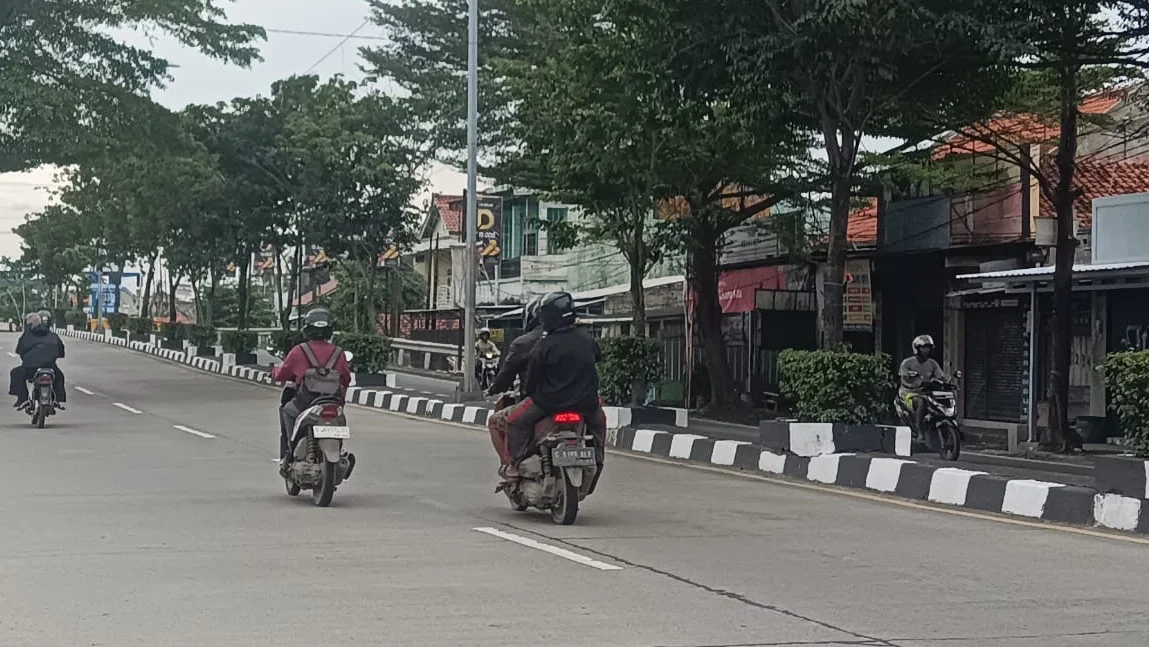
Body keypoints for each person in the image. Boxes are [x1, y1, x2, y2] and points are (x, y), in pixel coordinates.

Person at [503, 292, 607, 490]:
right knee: (599, 425)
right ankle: (599, 459)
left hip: (549, 404)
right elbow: (596, 363)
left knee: (514, 421)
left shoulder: (544, 346)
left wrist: (532, 394)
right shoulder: (587, 340)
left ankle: (515, 465)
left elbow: (532, 381)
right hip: (587, 403)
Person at [270, 308, 352, 471]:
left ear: (307, 329)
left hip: (306, 402)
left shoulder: (299, 351)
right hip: (332, 403)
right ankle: (340, 450)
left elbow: (282, 373)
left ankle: (289, 453)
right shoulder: (339, 353)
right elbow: (346, 379)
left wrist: (273, 371)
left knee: (287, 411)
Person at [484, 296, 543, 469]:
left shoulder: (524, 343)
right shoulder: (572, 339)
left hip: (538, 401)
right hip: (580, 402)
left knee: (497, 421)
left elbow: (506, 374)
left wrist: (494, 388)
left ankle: (511, 465)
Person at [10, 312, 66, 410]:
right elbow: (61, 352)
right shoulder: (52, 335)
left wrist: (28, 359)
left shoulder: (26, 336)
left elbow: (19, 351)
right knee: (59, 377)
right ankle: (58, 399)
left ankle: (22, 399)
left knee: (15, 373)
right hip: (50, 366)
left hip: (30, 368)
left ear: (29, 324)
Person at [899, 334, 947, 438]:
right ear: (917, 348)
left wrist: (946, 383)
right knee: (921, 402)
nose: (926, 350)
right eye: (923, 347)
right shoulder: (907, 363)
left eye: (928, 347)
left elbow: (941, 377)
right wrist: (914, 385)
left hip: (926, 392)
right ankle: (919, 431)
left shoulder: (932, 363)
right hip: (909, 393)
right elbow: (903, 380)